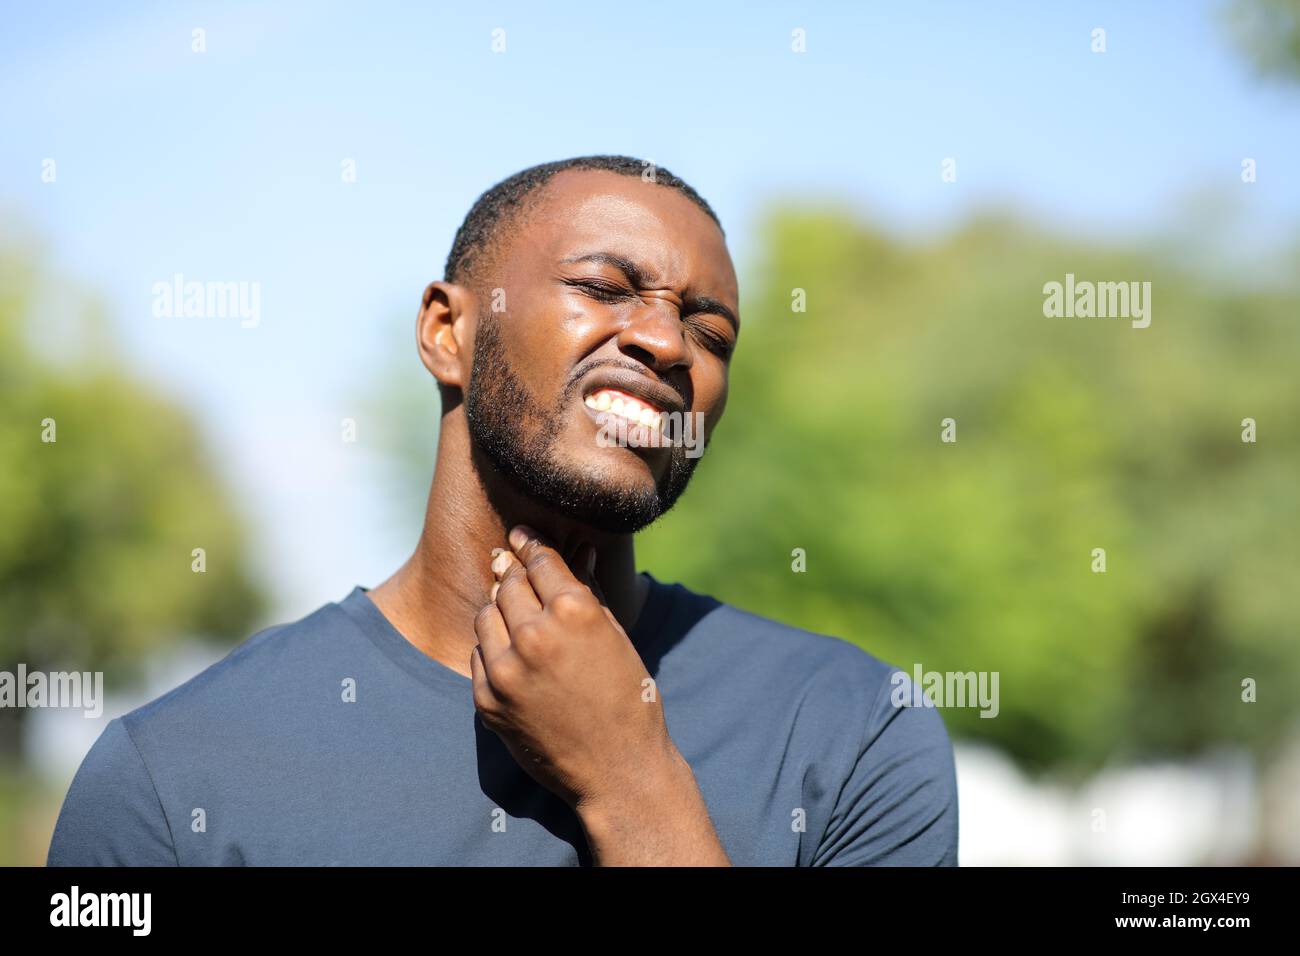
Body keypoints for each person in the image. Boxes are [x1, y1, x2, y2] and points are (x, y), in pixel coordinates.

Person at [48, 155, 958, 866]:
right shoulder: (174, 777)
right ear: (448, 332)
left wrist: (633, 788)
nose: (664, 341)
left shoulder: (852, 730)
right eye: (604, 289)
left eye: (710, 334)